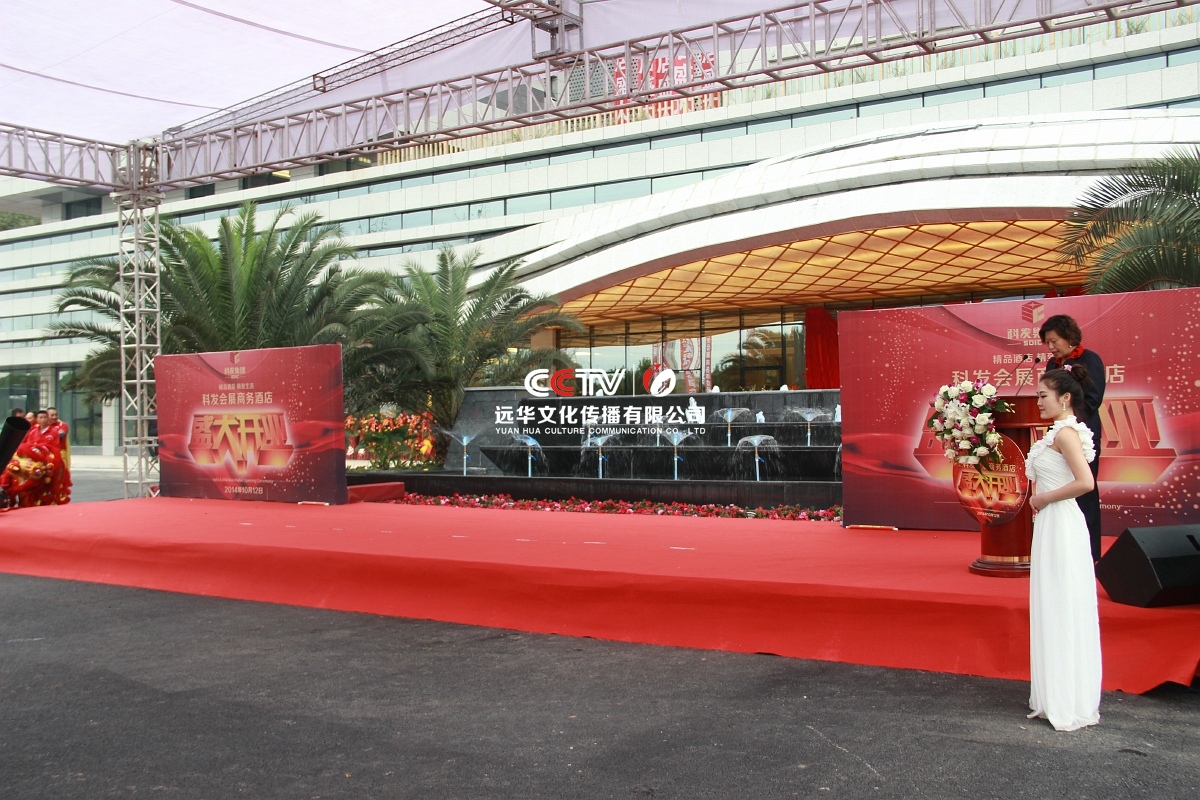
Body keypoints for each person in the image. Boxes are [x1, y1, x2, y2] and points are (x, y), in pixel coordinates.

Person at [1025, 366, 1101, 732]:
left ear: (1065, 397)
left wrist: (1043, 498)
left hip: (1062, 522)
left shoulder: (1067, 433)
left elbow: (1085, 482)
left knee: (1063, 604)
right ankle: (1055, 694)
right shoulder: (1056, 433)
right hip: (1051, 524)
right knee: (1052, 603)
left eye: (1043, 396)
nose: (1038, 402)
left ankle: (1067, 698)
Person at [1039, 314, 1105, 561]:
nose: (1051, 347)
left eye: (1054, 341)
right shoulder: (1052, 364)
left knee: (1084, 492)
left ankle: (1090, 554)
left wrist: (1070, 423)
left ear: (1069, 337)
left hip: (1081, 433)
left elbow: (1093, 399)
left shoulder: (1090, 359)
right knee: (1060, 490)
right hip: (1058, 435)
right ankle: (1063, 552)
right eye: (1047, 342)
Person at [0, 409, 71, 507]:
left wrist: (41, 451)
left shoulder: (54, 431)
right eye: (41, 418)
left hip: (48, 460)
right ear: (37, 419)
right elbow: (28, 445)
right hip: (32, 459)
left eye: (45, 417)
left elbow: (54, 447)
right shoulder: (33, 431)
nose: (43, 420)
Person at [47, 406, 70, 471]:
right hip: (47, 455)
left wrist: (48, 436)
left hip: (60, 454)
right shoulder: (42, 426)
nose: (54, 417)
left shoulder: (62, 425)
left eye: (56, 415)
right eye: (52, 415)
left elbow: (61, 436)